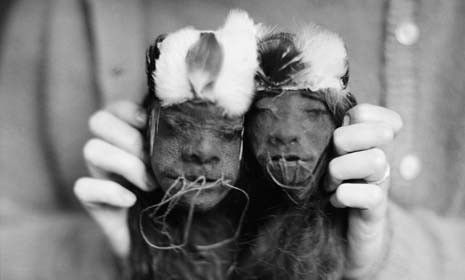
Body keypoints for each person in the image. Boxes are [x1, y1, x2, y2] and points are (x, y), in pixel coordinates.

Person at [1, 0, 464, 279]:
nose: (204, 150)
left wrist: (381, 255)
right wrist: (116, 254)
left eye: (227, 131)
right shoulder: (67, 11)